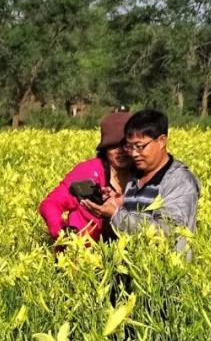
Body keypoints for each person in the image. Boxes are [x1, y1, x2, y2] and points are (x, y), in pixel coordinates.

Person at [83, 108, 200, 257]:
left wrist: (115, 214)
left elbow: (167, 231)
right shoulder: (136, 177)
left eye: (140, 146)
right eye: (129, 147)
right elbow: (139, 216)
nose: (133, 153)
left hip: (165, 275)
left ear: (162, 141)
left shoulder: (180, 181)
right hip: (136, 272)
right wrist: (120, 202)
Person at [38, 111, 136, 244]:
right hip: (82, 256)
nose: (120, 151)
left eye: (125, 144)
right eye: (113, 145)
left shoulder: (146, 175)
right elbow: (50, 204)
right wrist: (62, 232)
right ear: (104, 149)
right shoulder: (89, 172)